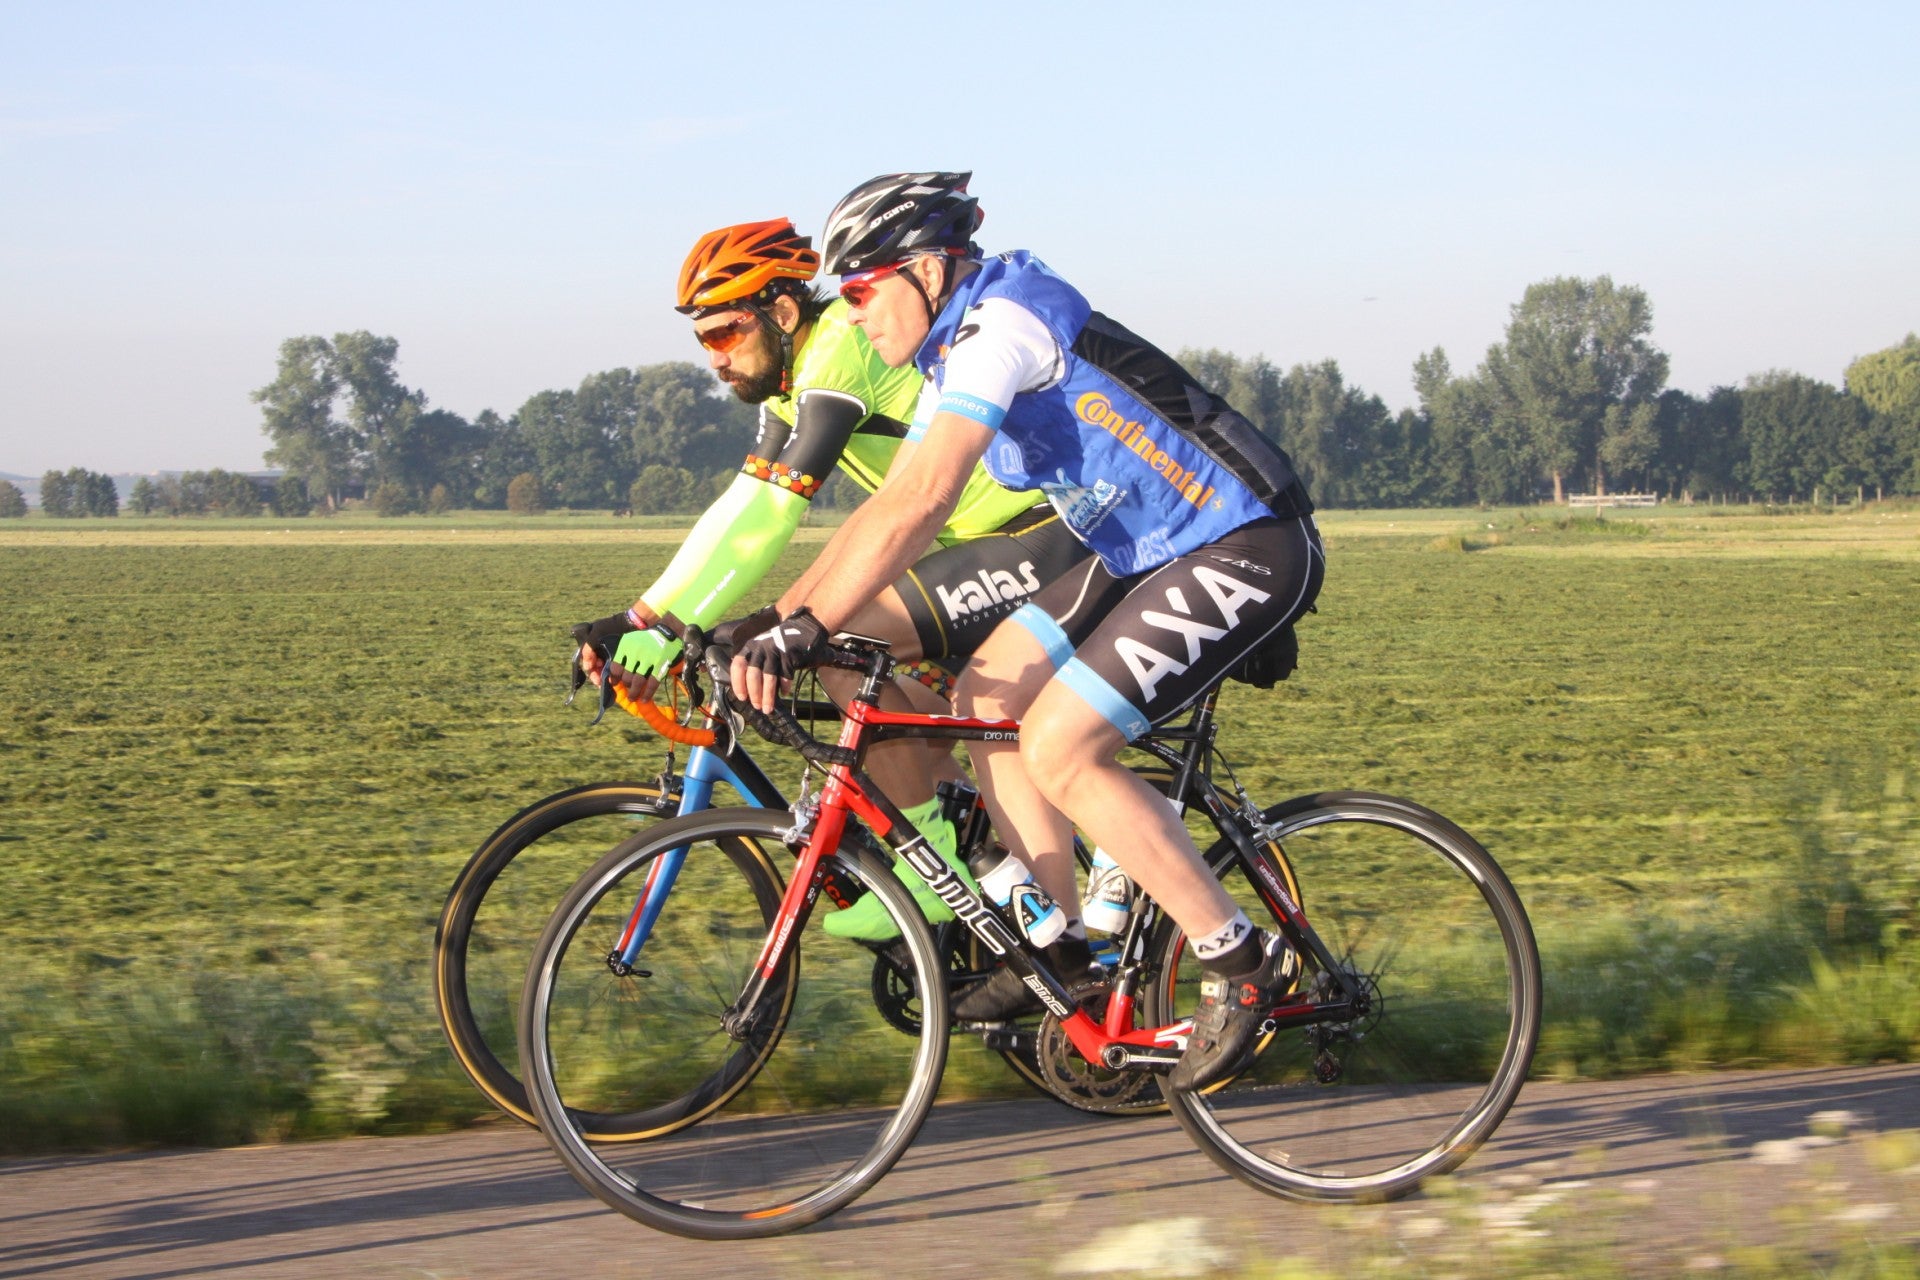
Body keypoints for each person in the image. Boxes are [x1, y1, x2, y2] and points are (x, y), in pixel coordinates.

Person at [727, 175, 1324, 1091]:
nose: (854, 313)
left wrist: (805, 627)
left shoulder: (1001, 324)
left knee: (1060, 747)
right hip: (1140, 549)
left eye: (863, 290)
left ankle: (1238, 962)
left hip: (1239, 538)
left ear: (927, 272)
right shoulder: (949, 353)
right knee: (985, 700)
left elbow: (927, 502)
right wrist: (778, 623)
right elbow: (889, 505)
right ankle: (1060, 948)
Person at [585, 217, 1085, 941]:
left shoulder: (839, 352)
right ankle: (988, 887)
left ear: (783, 313)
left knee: (838, 644)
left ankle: (932, 876)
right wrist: (651, 617)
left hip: (1029, 535)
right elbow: (741, 503)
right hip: (968, 547)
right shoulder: (788, 390)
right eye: (702, 340)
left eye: (724, 333)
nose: (714, 358)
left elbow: (770, 515)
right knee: (903, 728)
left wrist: (654, 623)